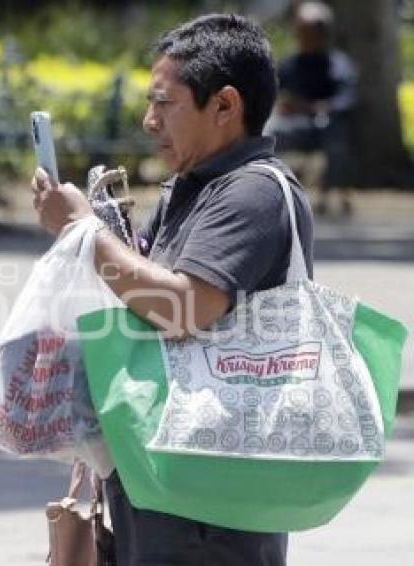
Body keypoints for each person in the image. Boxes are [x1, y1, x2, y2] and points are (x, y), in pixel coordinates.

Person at [32, 14, 314, 566]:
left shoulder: (253, 193)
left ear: (225, 106)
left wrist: (83, 234)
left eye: (165, 104)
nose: (148, 120)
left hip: (215, 499)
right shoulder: (193, 186)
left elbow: (184, 307)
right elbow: (141, 301)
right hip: (173, 477)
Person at [264, 1, 357, 215]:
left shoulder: (337, 64)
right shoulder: (290, 64)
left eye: (310, 32)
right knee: (268, 132)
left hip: (326, 124)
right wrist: (280, 105)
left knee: (336, 143)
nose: (304, 37)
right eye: (301, 32)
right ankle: (270, 190)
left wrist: (317, 107)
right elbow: (272, 90)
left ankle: (329, 195)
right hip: (296, 125)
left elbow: (347, 98)